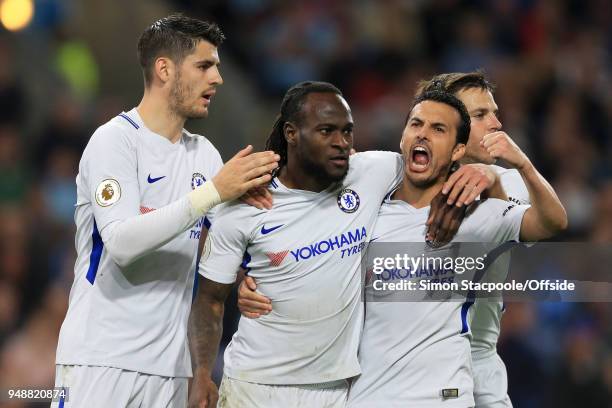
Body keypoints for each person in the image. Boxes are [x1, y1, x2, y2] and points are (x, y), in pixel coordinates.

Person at [238, 89, 567, 407]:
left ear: (457, 150)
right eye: (416, 124)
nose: (423, 135)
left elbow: (552, 221)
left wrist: (521, 164)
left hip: (444, 394)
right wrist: (257, 280)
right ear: (402, 137)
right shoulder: (366, 209)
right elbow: (301, 230)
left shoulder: (480, 214)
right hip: (365, 395)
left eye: (438, 129)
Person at [188, 82, 498, 408]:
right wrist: (202, 373)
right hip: (257, 387)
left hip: (337, 393)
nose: (341, 143)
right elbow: (209, 300)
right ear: (292, 133)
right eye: (326, 131)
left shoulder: (371, 172)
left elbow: (436, 162)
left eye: (347, 132)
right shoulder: (243, 206)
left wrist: (484, 175)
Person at [52, 14, 279, 408]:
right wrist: (212, 193)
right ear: (164, 69)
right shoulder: (114, 142)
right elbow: (121, 242)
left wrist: (249, 276)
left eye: (218, 68)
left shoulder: (204, 156)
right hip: (100, 363)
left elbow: (214, 249)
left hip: (171, 372)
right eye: (205, 66)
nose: (217, 79)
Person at [416, 71, 534, 408]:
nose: (497, 123)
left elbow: (547, 224)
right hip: (406, 369)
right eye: (481, 115)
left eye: (494, 112)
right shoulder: (399, 181)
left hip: (477, 365)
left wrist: (492, 180)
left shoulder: (508, 181)